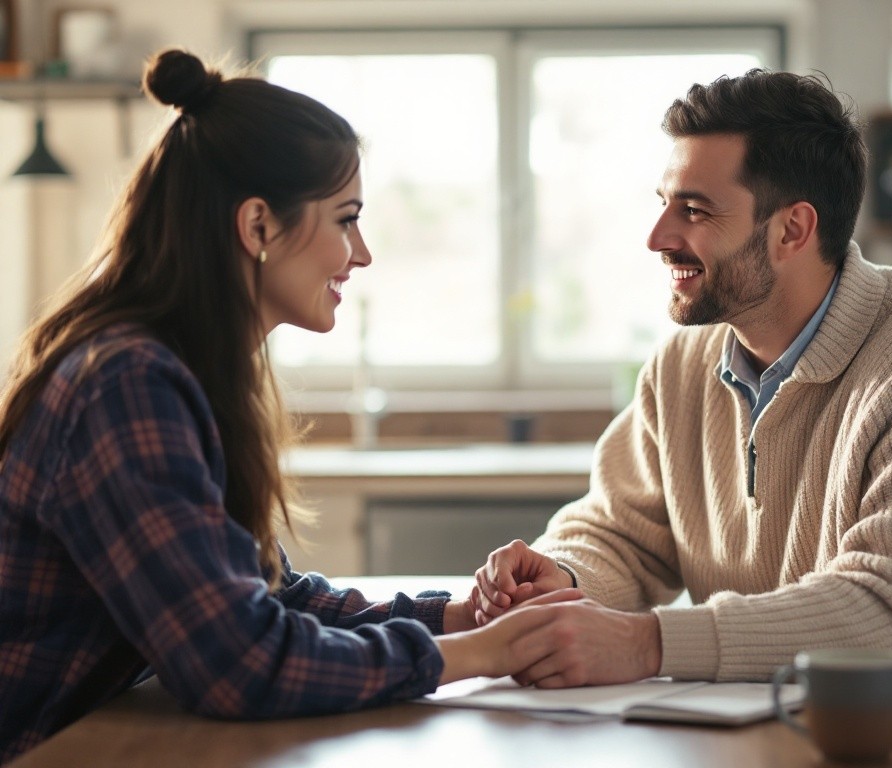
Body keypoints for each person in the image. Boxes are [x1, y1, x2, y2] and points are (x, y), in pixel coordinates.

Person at [0, 48, 581, 764]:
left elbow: (265, 597)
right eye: (345, 219)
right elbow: (239, 662)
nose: (361, 254)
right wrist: (473, 654)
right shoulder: (127, 384)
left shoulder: (174, 368)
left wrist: (460, 616)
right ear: (258, 228)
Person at [472, 68, 892, 717]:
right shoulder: (682, 363)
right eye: (664, 203)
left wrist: (648, 643)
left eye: (695, 210)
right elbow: (622, 534)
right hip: (754, 725)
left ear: (792, 230)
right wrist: (561, 578)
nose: (658, 238)